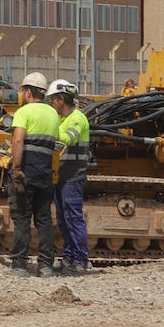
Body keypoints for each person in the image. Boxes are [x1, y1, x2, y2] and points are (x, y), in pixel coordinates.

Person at [6, 71, 60, 276]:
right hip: (45, 174)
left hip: (26, 173)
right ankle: (45, 265)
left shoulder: (24, 112)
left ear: (28, 92)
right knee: (44, 219)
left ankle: (19, 265)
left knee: (22, 218)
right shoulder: (53, 114)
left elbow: (18, 140)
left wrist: (17, 169)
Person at [47, 78, 91, 274]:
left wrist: (46, 131)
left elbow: (67, 138)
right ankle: (69, 258)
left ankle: (80, 260)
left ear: (61, 99)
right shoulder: (61, 119)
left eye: (52, 100)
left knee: (73, 218)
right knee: (64, 220)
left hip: (73, 177)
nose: (50, 104)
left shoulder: (77, 118)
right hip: (61, 176)